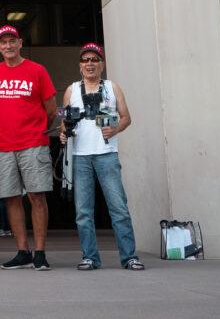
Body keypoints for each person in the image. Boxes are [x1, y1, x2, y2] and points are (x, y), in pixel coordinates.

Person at [60, 43, 144, 271]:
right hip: (80, 155)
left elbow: (126, 117)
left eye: (94, 60)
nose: (90, 63)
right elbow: (64, 121)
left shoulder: (111, 87)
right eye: (85, 60)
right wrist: (63, 134)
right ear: (79, 66)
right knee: (83, 211)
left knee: (118, 208)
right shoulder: (72, 90)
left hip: (106, 154)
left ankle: (129, 257)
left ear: (102, 64)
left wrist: (115, 129)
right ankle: (90, 256)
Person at [0, 25, 57, 271]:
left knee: (37, 196)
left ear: (20, 43)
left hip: (33, 143)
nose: (8, 46)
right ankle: (23, 251)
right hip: (4, 146)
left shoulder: (37, 70)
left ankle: (40, 253)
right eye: (3, 42)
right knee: (11, 198)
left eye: (12, 40)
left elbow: (52, 108)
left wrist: (36, 130)